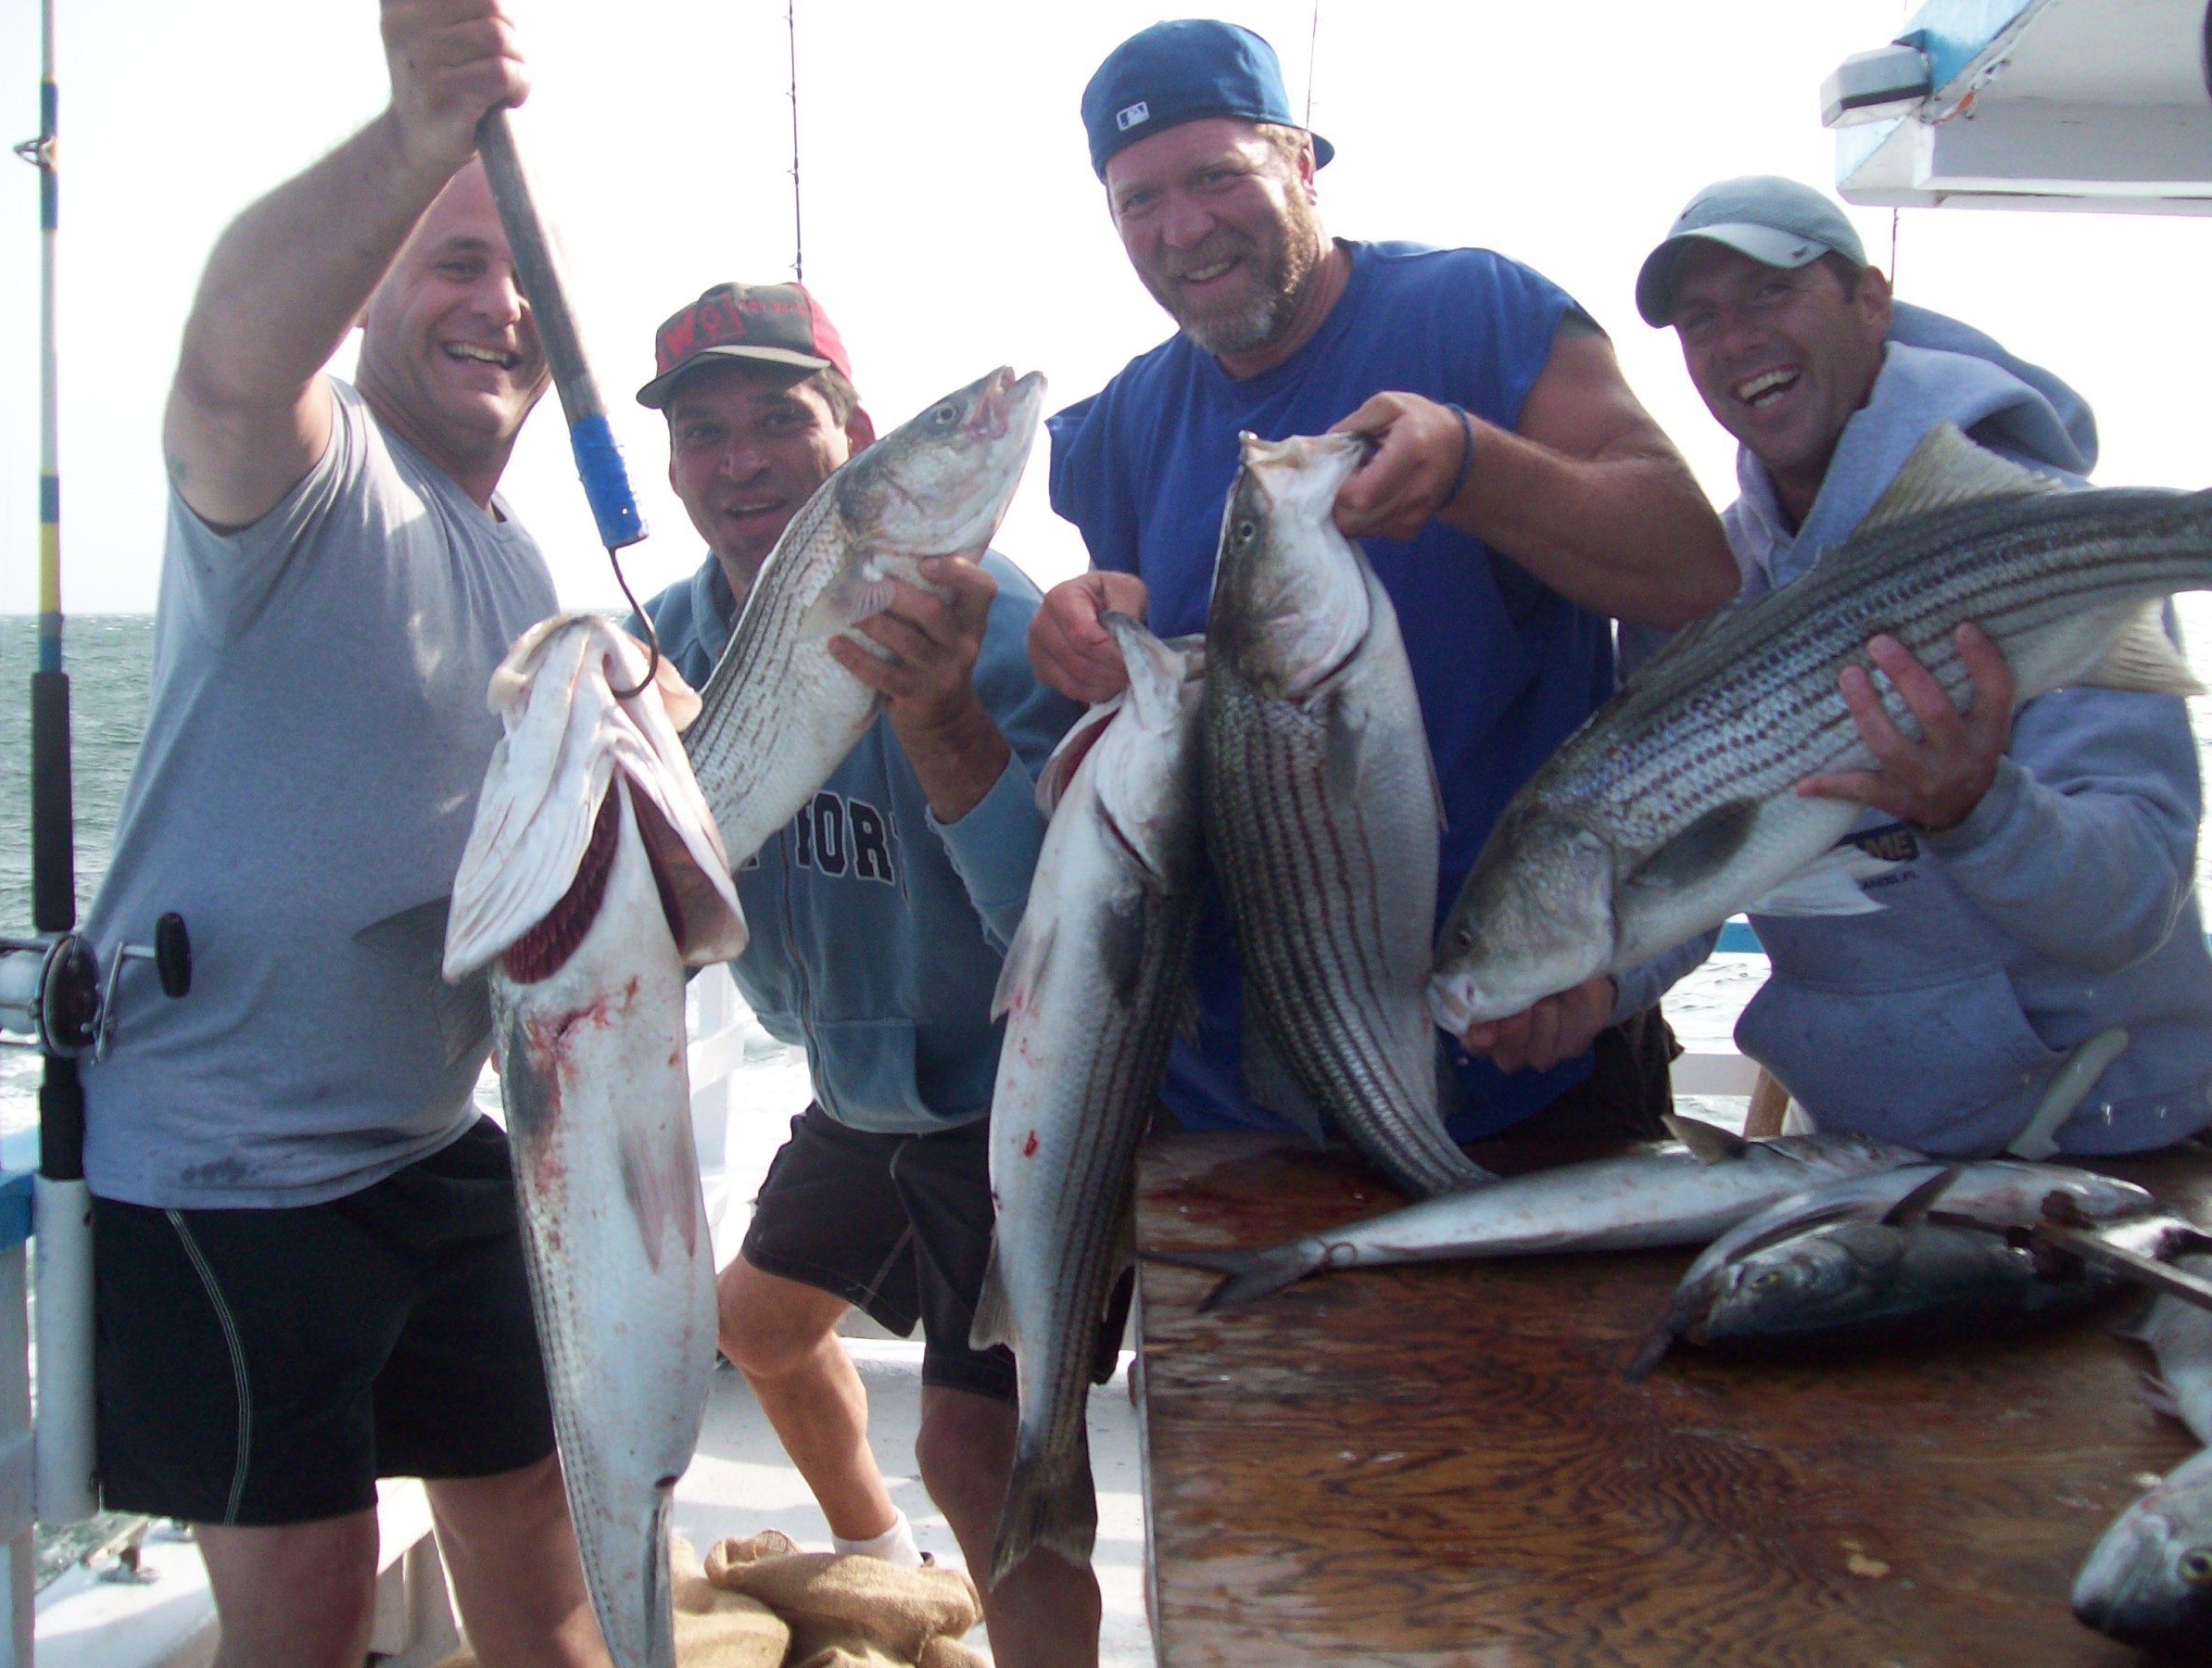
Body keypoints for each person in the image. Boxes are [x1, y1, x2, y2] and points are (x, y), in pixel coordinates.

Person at [75, 4, 610, 1665]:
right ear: (372, 291)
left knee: (539, 1517)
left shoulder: (519, 554)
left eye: (525, 276)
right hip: (231, 1155)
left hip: (427, 1135)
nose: (500, 303)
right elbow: (230, 367)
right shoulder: (317, 477)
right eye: (454, 261)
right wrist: (414, 132)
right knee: (309, 1596)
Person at [1031, 19, 1738, 1149]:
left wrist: (1476, 467)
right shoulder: (1123, 421)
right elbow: (1135, 667)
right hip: (1228, 1112)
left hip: (1524, 1055)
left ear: (1303, 165)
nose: (1183, 228)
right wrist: (1078, 635)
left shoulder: (1482, 313)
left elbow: (1692, 567)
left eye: (1216, 175)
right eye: (1139, 200)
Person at [631, 282, 1093, 1666]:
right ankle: (887, 1566)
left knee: (976, 1447)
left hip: (1011, 1101)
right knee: (755, 1328)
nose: (743, 460)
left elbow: (1064, 945)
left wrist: (941, 716)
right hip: (856, 1088)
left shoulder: (1004, 630)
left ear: (858, 442)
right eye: (704, 432)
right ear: (673, 471)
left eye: (783, 418)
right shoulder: (664, 648)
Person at [1625, 173, 2212, 1156]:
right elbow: (1691, 874)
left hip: (2115, 1140)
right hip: (1862, 1148)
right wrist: (1587, 984)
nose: (1736, 341)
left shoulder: (2047, 548)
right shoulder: (1702, 588)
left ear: (1871, 300)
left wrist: (1980, 811)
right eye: (1699, 319)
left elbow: (2136, 899)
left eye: (1773, 291)